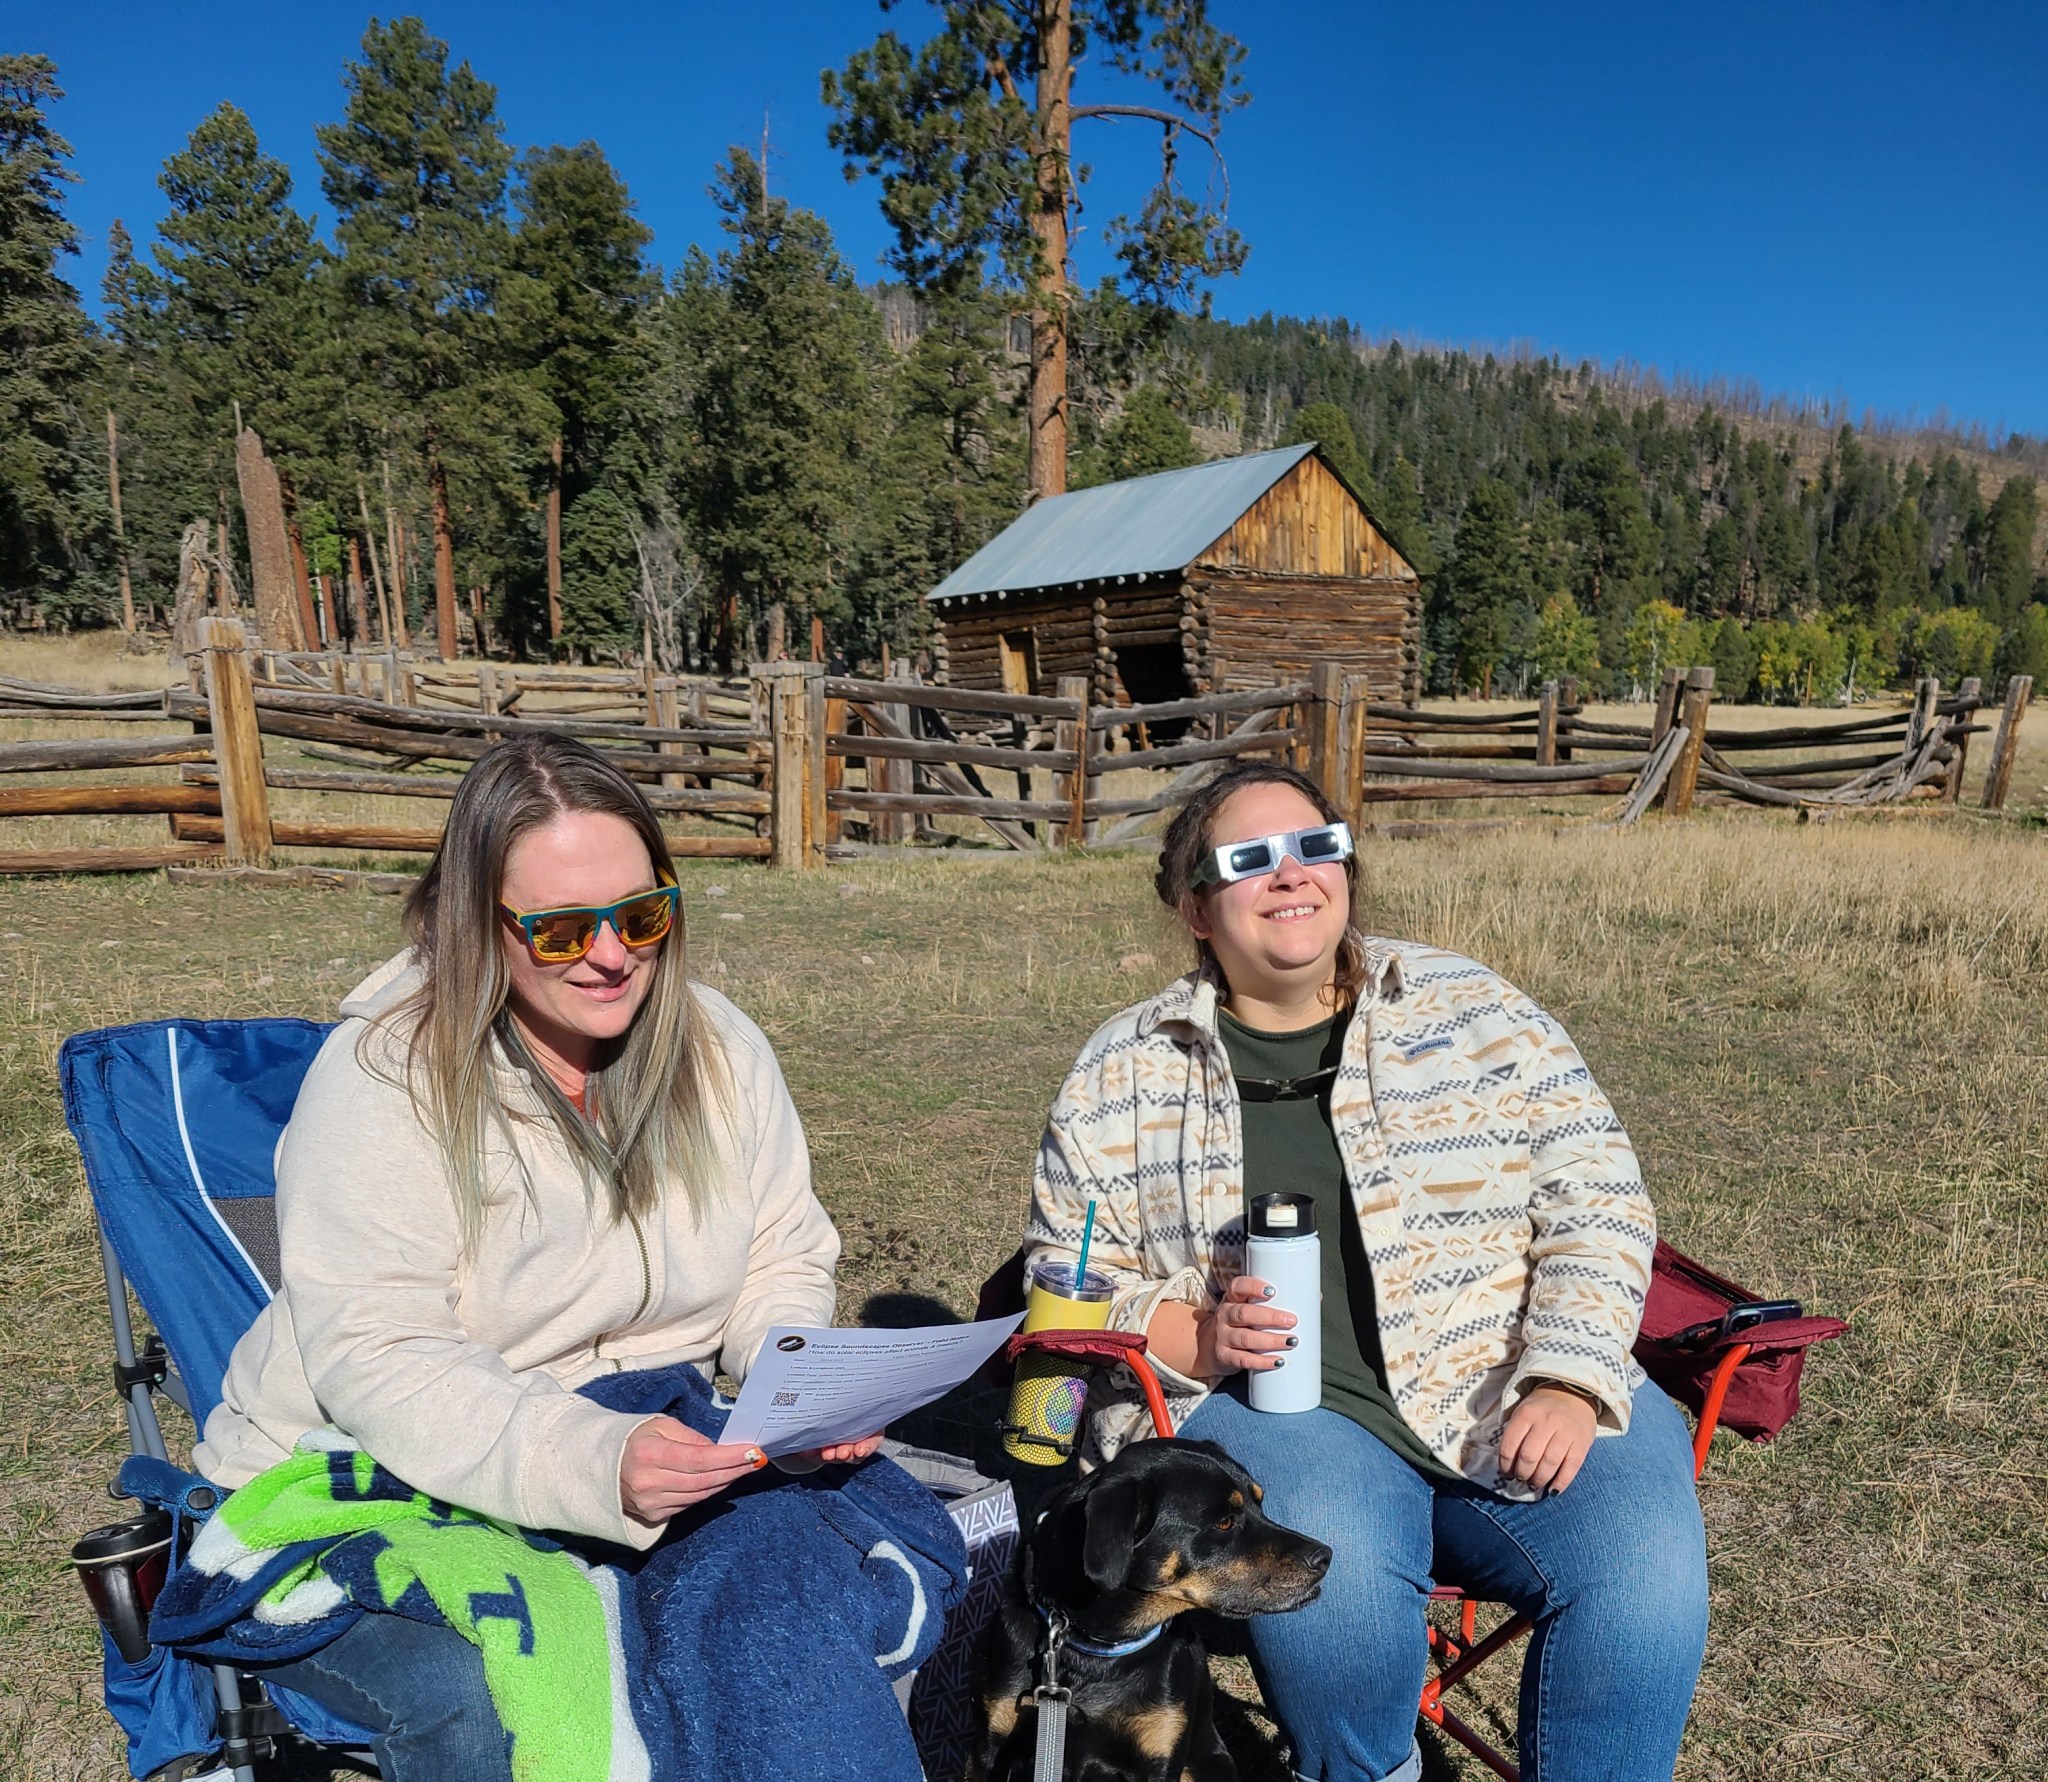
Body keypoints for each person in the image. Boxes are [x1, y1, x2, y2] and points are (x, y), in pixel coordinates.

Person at [195, 733, 879, 1781]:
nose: (611, 956)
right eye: (560, 930)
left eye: (642, 915)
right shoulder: (385, 1078)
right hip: (395, 1465)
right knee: (490, 1703)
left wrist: (796, 1382)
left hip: (653, 1436)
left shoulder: (716, 1046)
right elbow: (383, 1357)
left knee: (798, 1601)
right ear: (478, 924)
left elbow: (778, 1251)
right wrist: (592, 1460)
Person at [1023, 759, 1708, 1782]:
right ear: (1194, 907)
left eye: (1314, 847)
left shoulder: (1476, 1014)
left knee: (1643, 1574)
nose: (1289, 876)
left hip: (1507, 1380)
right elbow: (1064, 1280)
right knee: (1328, 1564)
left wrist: (1566, 1377)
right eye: (1247, 859)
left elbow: (1598, 1204)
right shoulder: (1122, 1071)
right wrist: (1188, 1332)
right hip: (1279, 1416)